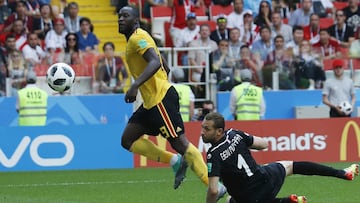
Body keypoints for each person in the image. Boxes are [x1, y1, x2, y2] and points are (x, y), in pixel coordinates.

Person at [117, 6, 226, 197]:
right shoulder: (139, 37)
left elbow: (155, 62)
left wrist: (136, 86)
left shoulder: (137, 37)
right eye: (119, 16)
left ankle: (214, 187)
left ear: (135, 20)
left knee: (181, 144)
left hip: (160, 99)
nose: (120, 19)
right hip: (152, 102)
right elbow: (163, 63)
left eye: (125, 16)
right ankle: (175, 162)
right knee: (127, 139)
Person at [202, 112, 359, 203]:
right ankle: (342, 173)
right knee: (290, 165)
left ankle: (288, 201)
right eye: (202, 128)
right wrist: (240, 144)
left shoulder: (213, 154)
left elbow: (214, 191)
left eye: (206, 129)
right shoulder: (234, 134)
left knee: (237, 199)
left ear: (219, 131)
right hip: (265, 180)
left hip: (248, 198)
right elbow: (264, 144)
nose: (202, 132)